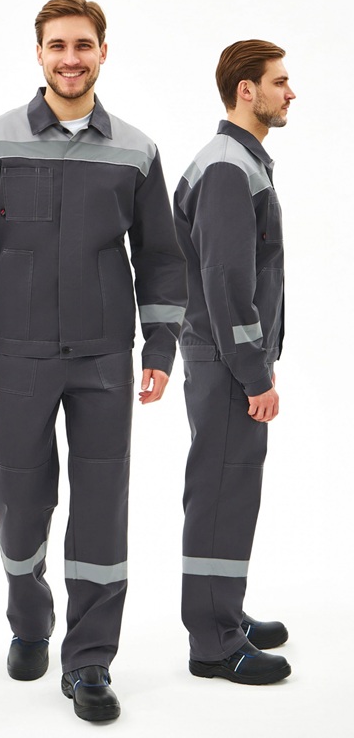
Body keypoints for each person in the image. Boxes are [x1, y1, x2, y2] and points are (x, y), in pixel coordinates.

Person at [0, 0, 187, 721]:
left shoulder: (136, 150)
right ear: (39, 53)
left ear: (103, 52)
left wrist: (160, 346)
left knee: (103, 506)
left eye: (83, 45)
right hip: (15, 357)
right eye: (58, 46)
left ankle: (89, 661)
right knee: (18, 500)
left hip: (104, 358)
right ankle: (28, 613)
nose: (71, 59)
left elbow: (161, 260)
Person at [173, 40, 296, 684]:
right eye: (279, 81)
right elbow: (226, 283)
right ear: (246, 90)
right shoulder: (228, 167)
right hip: (228, 360)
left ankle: (224, 610)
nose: (290, 92)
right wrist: (255, 372)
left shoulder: (238, 161)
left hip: (226, 355)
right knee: (222, 492)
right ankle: (214, 641)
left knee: (230, 491)